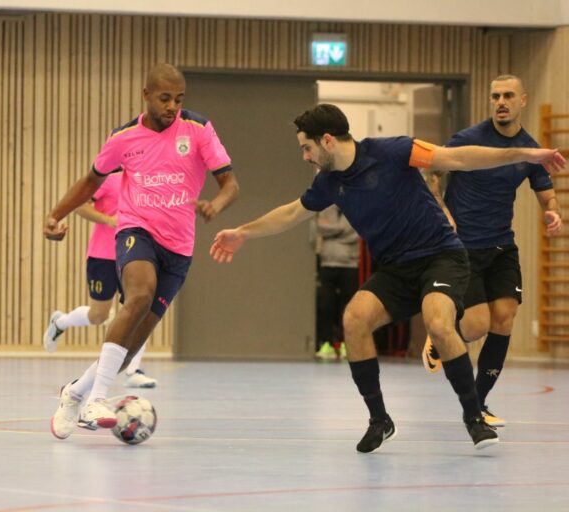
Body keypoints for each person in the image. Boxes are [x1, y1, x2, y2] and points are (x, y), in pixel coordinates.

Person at [210, 103, 564, 453]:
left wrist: (526, 155)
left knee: (439, 324)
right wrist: (243, 232)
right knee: (354, 319)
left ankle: (474, 418)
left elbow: (458, 158)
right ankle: (380, 420)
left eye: (307, 147)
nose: (305, 156)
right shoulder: (329, 183)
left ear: (328, 140)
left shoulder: (394, 151)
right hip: (396, 269)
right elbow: (291, 213)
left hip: (440, 256)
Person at [44, 63, 239, 439]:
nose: (172, 106)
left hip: (179, 247)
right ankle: (96, 401)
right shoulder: (124, 137)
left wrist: (218, 203)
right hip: (136, 229)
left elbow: (230, 183)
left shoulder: (198, 129)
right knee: (139, 295)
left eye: (179, 99)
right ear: (146, 95)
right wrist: (54, 215)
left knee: (131, 347)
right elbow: (90, 182)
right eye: (165, 98)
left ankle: (74, 393)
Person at [421, 75, 562, 427]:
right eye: (495, 95)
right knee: (478, 323)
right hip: (463, 247)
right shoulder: (468, 140)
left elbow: (546, 191)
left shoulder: (529, 149)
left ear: (522, 101)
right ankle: (442, 332)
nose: (501, 101)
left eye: (508, 95)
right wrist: (443, 210)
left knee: (505, 318)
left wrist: (553, 211)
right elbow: (430, 171)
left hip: (502, 245)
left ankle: (479, 404)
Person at [42, 172, 158, 389]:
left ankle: (133, 370)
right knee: (98, 315)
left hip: (135, 257)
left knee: (140, 310)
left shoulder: (147, 180)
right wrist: (109, 220)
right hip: (103, 256)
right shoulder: (110, 179)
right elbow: (80, 206)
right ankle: (61, 322)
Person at [315, 204, 359, 360]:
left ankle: (347, 345)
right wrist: (342, 228)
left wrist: (331, 230)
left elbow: (356, 233)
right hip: (327, 263)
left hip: (349, 265)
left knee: (348, 308)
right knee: (325, 306)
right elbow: (319, 227)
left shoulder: (355, 205)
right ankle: (326, 344)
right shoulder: (326, 207)